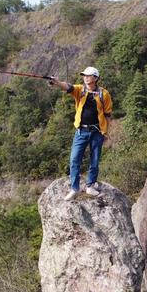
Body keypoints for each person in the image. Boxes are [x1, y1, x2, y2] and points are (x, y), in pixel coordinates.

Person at [47, 66, 113, 201]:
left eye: (88, 76)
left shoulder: (103, 94)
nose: (85, 78)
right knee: (74, 159)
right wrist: (57, 82)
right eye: (84, 75)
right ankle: (74, 188)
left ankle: (90, 185)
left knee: (94, 160)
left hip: (97, 132)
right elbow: (68, 87)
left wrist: (105, 131)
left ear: (95, 78)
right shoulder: (80, 90)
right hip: (81, 131)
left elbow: (107, 115)